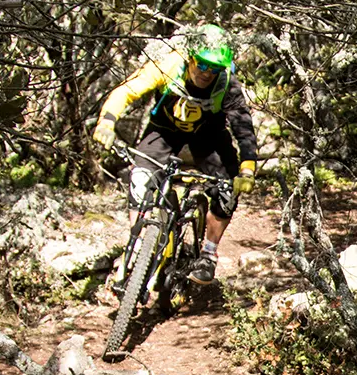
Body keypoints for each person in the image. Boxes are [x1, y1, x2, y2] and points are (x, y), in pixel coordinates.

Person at [91, 24, 259, 285]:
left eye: (214, 68)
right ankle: (137, 246)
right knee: (141, 180)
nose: (207, 73)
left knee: (227, 192)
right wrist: (107, 122)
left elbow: (243, 127)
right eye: (202, 64)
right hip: (164, 132)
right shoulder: (168, 65)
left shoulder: (227, 84)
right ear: (190, 57)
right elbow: (127, 90)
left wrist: (247, 170)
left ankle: (209, 254)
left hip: (209, 138)